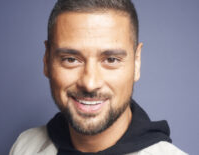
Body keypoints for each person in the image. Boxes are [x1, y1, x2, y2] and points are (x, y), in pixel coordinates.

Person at [10, 0, 187, 154]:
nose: (90, 83)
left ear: (137, 62)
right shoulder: (25, 146)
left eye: (111, 60)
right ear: (47, 59)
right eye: (71, 59)